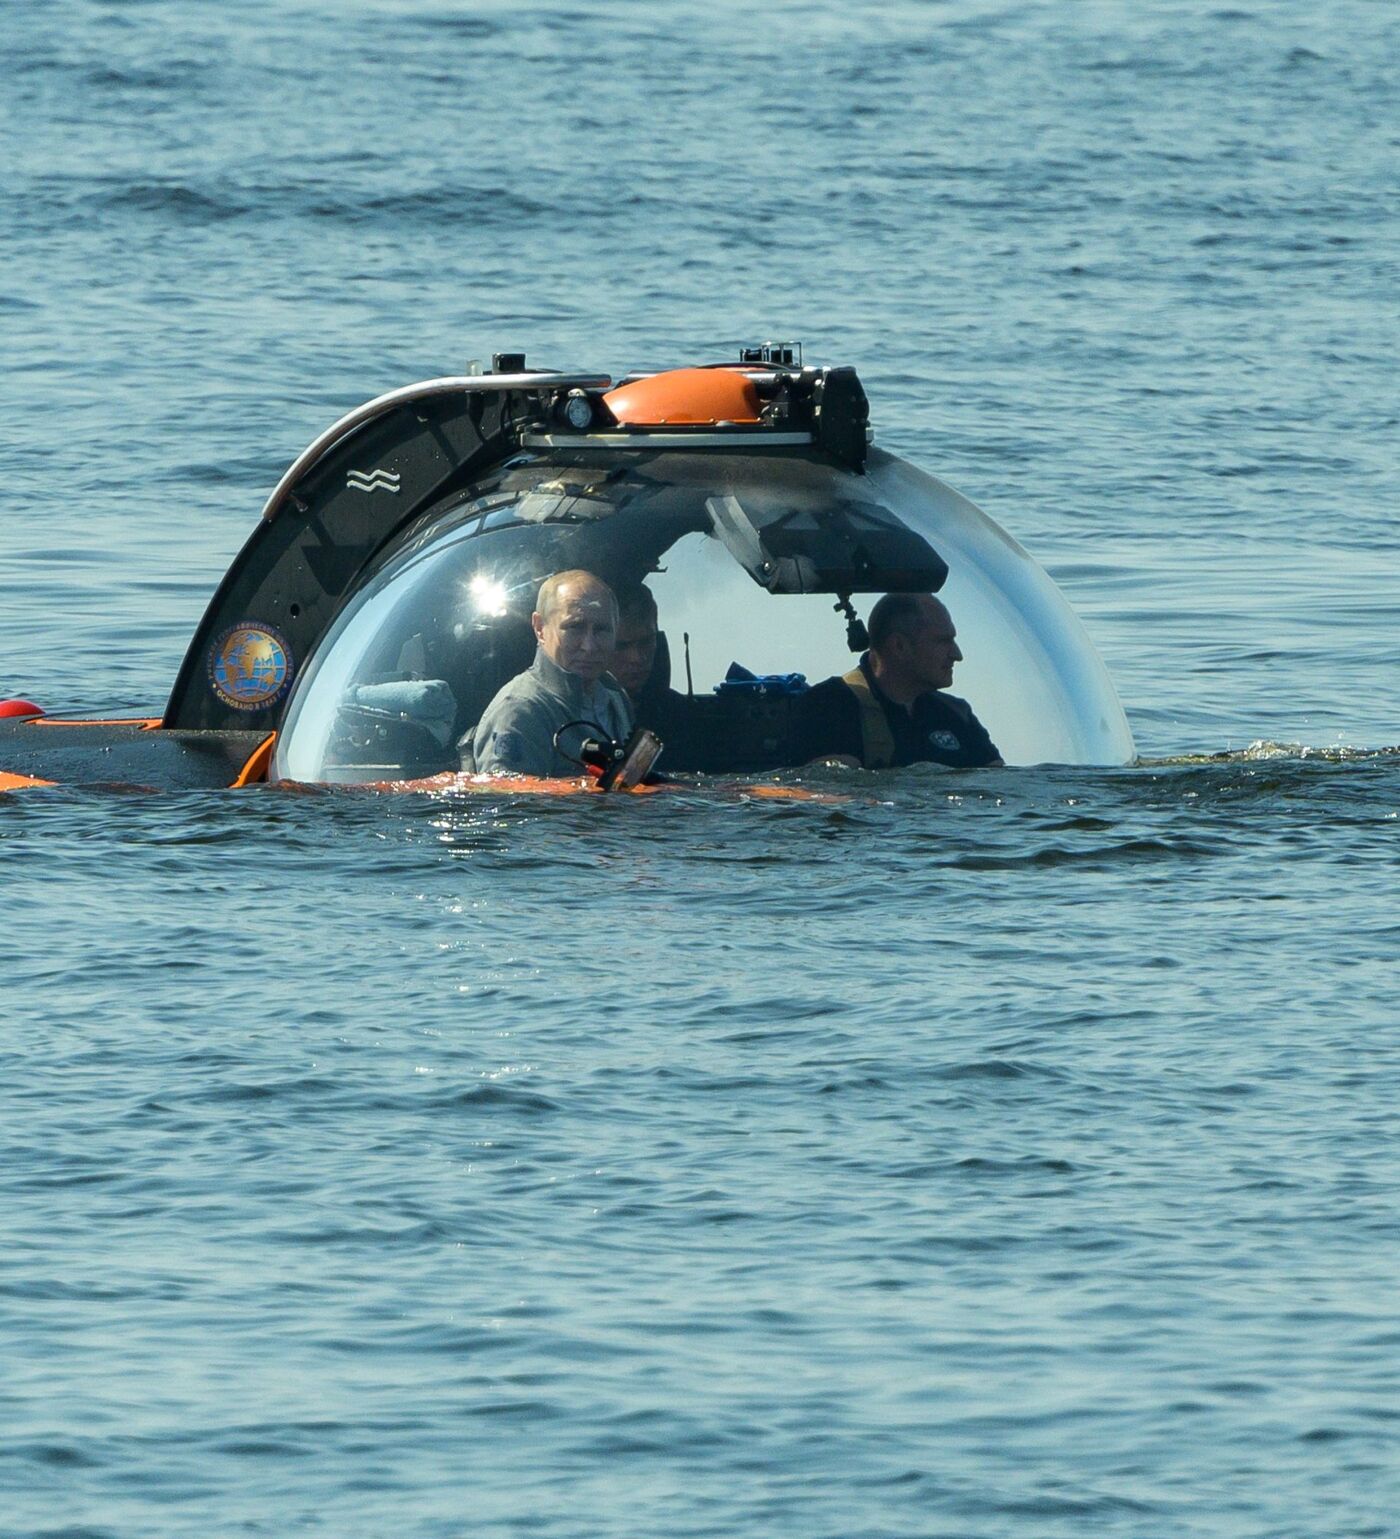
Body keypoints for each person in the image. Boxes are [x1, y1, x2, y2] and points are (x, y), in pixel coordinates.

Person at [791, 592, 1003, 769]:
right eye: (942, 641)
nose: (957, 655)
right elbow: (815, 798)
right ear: (899, 646)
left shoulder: (956, 714)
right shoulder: (829, 707)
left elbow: (1001, 790)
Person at [465, 570, 633, 776]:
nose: (589, 646)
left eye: (602, 630)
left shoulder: (613, 697)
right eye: (575, 627)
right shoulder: (518, 711)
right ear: (540, 627)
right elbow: (511, 803)